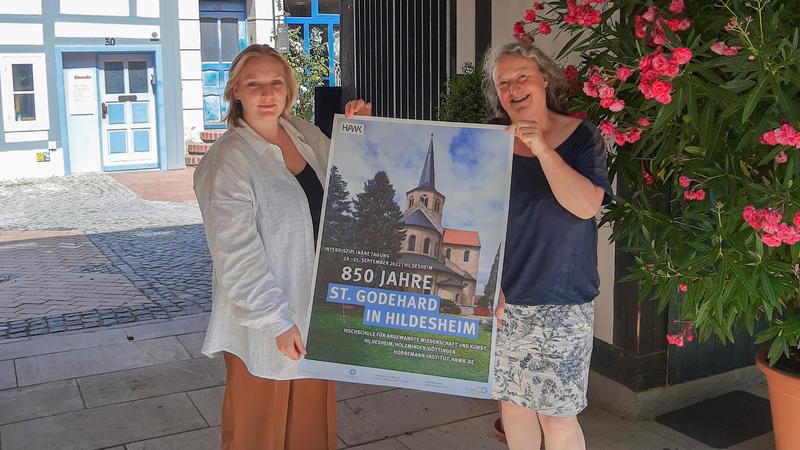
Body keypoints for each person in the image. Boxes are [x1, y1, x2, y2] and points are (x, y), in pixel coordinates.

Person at [193, 44, 370, 450]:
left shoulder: (303, 134)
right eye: (254, 84)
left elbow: (348, 180)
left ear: (289, 88)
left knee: (310, 428)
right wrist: (276, 320)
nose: (267, 93)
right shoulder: (228, 160)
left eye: (276, 82)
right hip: (268, 323)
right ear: (236, 91)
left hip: (316, 310)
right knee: (259, 432)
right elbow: (235, 254)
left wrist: (359, 133)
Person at [483, 40, 613, 450]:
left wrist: (540, 147)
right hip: (504, 301)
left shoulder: (581, 136)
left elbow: (585, 205)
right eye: (503, 82)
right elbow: (471, 214)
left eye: (523, 75)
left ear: (544, 78)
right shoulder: (489, 140)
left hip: (563, 299)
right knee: (515, 409)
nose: (514, 87)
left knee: (558, 418)